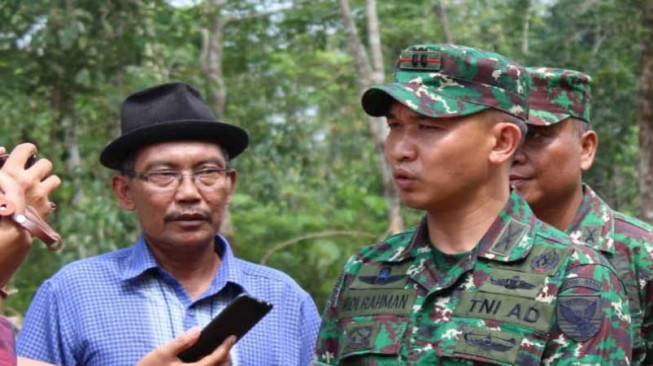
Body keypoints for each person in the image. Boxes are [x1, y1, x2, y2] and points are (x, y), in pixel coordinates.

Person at [312, 44, 631, 365]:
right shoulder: (366, 271)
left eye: (428, 126)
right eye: (395, 126)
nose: (400, 150)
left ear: (502, 142)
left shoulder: (575, 278)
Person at [16, 82, 321, 366]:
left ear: (229, 185)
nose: (189, 193)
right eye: (163, 174)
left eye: (207, 172)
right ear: (124, 191)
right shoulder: (71, 294)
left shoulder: (287, 300)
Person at [510, 67, 653, 364]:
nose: (514, 153)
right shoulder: (466, 247)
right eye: (504, 136)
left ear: (585, 148)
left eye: (535, 135)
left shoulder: (639, 254)